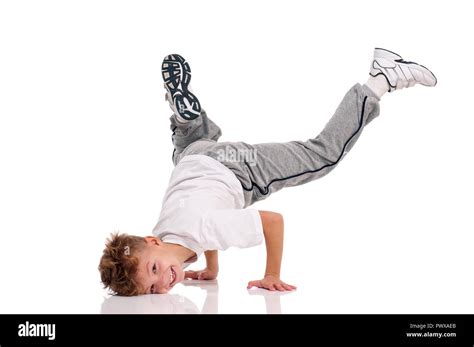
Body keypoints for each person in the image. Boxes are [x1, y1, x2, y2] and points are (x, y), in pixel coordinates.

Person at [98, 48, 437, 296]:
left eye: (154, 271)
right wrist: (212, 268)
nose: (165, 282)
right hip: (190, 159)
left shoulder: (201, 228)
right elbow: (204, 225)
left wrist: (271, 274)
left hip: (235, 166)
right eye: (154, 289)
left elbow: (271, 221)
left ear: (152, 242)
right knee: (195, 147)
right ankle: (187, 122)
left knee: (322, 155)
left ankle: (380, 79)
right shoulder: (166, 234)